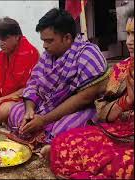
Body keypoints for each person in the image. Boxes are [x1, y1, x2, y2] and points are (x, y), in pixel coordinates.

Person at [50, 9, 134, 179]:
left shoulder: (87, 53)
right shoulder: (122, 69)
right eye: (129, 34)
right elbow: (102, 111)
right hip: (122, 131)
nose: (130, 41)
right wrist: (128, 100)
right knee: (62, 144)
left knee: (122, 167)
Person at [7, 8, 108, 147]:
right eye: (43, 41)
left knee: (63, 130)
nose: (44, 46)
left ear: (67, 38)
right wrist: (29, 112)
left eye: (49, 41)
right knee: (15, 111)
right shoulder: (47, 56)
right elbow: (34, 85)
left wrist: (44, 120)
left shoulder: (88, 54)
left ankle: (46, 138)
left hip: (77, 111)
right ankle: (37, 131)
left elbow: (84, 98)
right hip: (44, 108)